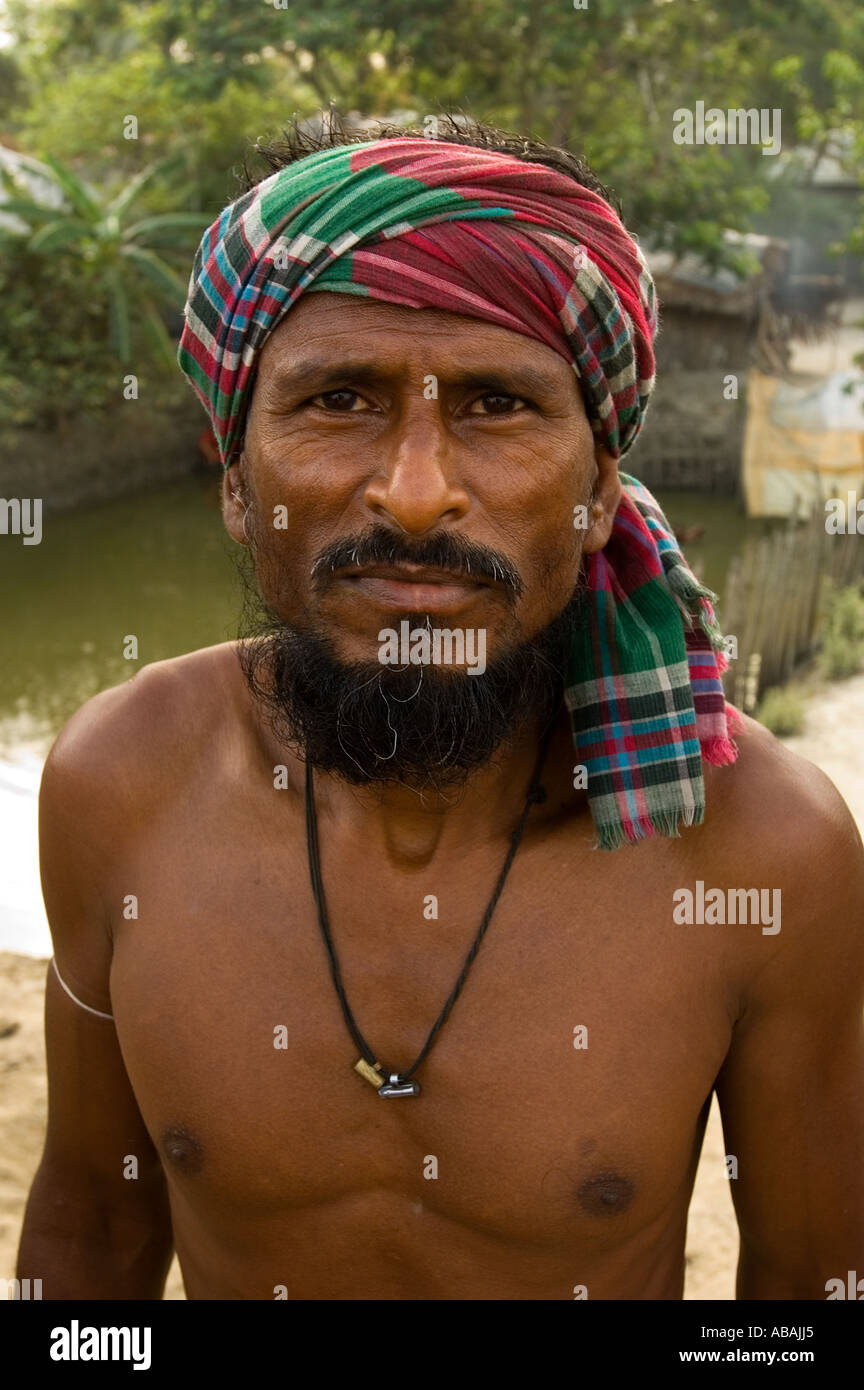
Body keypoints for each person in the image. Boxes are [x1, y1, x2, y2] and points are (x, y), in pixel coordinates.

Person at [17, 120, 864, 1301]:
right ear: (232, 477)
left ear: (600, 486)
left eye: (499, 405)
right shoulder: (119, 781)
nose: (416, 495)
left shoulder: (766, 847)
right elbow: (91, 1240)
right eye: (340, 398)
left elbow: (810, 1298)